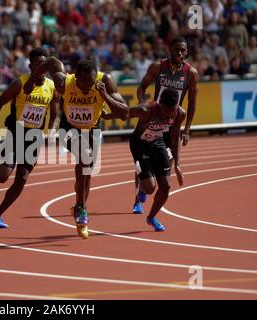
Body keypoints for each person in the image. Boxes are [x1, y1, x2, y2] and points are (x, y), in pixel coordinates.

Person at [24, 57, 128, 239]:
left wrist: (105, 97)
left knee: (87, 171)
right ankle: (81, 209)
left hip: (92, 130)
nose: (89, 85)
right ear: (76, 77)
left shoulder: (104, 81)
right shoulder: (64, 82)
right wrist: (32, 80)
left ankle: (79, 204)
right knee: (85, 158)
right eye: (85, 82)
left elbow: (124, 114)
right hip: (68, 128)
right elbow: (51, 62)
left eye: (92, 81)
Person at [0, 48, 59, 229]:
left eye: (44, 64)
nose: (42, 67)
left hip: (34, 137)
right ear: (31, 65)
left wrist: (51, 130)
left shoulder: (51, 87)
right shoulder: (19, 84)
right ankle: (5, 159)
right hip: (16, 133)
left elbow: (54, 113)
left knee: (22, 178)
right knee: (2, 177)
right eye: (38, 63)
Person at [134, 36, 198, 213]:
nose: (179, 53)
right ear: (170, 49)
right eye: (176, 49)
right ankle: (138, 197)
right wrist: (143, 104)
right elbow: (142, 87)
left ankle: (148, 187)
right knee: (143, 157)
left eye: (182, 50)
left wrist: (187, 130)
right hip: (153, 118)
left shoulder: (191, 73)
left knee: (167, 161)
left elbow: (192, 103)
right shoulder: (158, 67)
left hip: (173, 122)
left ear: (186, 52)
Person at [128, 88, 185, 231]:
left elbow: (174, 137)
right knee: (150, 188)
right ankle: (142, 184)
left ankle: (151, 217)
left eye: (171, 111)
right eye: (166, 112)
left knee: (165, 187)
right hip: (139, 145)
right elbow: (123, 113)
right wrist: (104, 115)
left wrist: (177, 164)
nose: (168, 116)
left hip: (157, 143)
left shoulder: (179, 113)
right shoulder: (146, 110)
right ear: (160, 104)